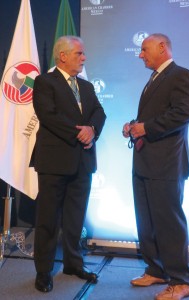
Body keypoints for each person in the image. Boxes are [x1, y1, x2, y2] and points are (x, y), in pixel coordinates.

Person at [122, 33, 189, 300]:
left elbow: (184, 113)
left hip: (166, 164)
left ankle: (181, 281)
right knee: (148, 221)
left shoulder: (180, 75)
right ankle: (157, 269)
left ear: (162, 48)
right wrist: (134, 126)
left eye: (144, 49)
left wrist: (146, 127)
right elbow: (154, 116)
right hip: (145, 163)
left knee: (168, 223)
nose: (140, 54)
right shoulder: (154, 78)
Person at [30, 35, 106, 293]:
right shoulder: (44, 82)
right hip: (54, 161)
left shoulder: (86, 86)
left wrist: (93, 129)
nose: (84, 58)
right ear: (63, 56)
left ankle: (74, 263)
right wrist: (80, 132)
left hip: (83, 161)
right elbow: (48, 116)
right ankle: (43, 272)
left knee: (75, 218)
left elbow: (99, 112)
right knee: (48, 219)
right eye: (79, 54)